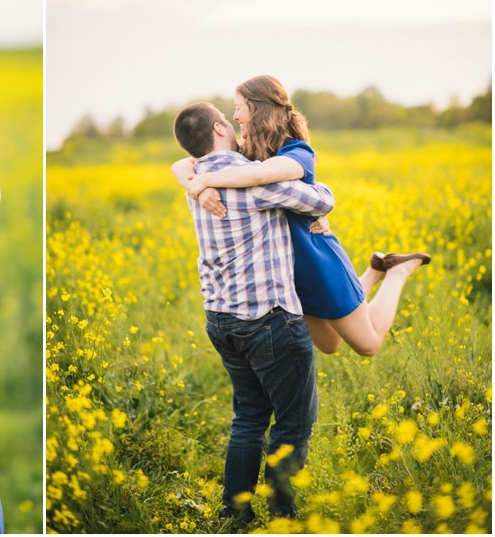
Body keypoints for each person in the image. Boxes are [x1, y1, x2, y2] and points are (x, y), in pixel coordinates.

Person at [172, 75, 430, 357]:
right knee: (330, 345)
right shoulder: (246, 151)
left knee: (367, 344)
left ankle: (397, 271)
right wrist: (194, 185)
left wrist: (205, 181)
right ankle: (376, 269)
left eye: (239, 107)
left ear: (258, 107)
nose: (235, 116)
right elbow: (183, 162)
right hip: (281, 272)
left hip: (315, 259)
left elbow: (260, 175)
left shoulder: (296, 151)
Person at [172, 102, 336, 525]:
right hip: (269, 318)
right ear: (220, 126)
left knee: (248, 418)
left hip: (221, 318)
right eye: (228, 117)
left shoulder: (197, 180)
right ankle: (284, 514)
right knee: (295, 422)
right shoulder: (254, 184)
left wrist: (195, 179)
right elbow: (321, 200)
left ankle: (235, 513)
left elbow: (181, 164)